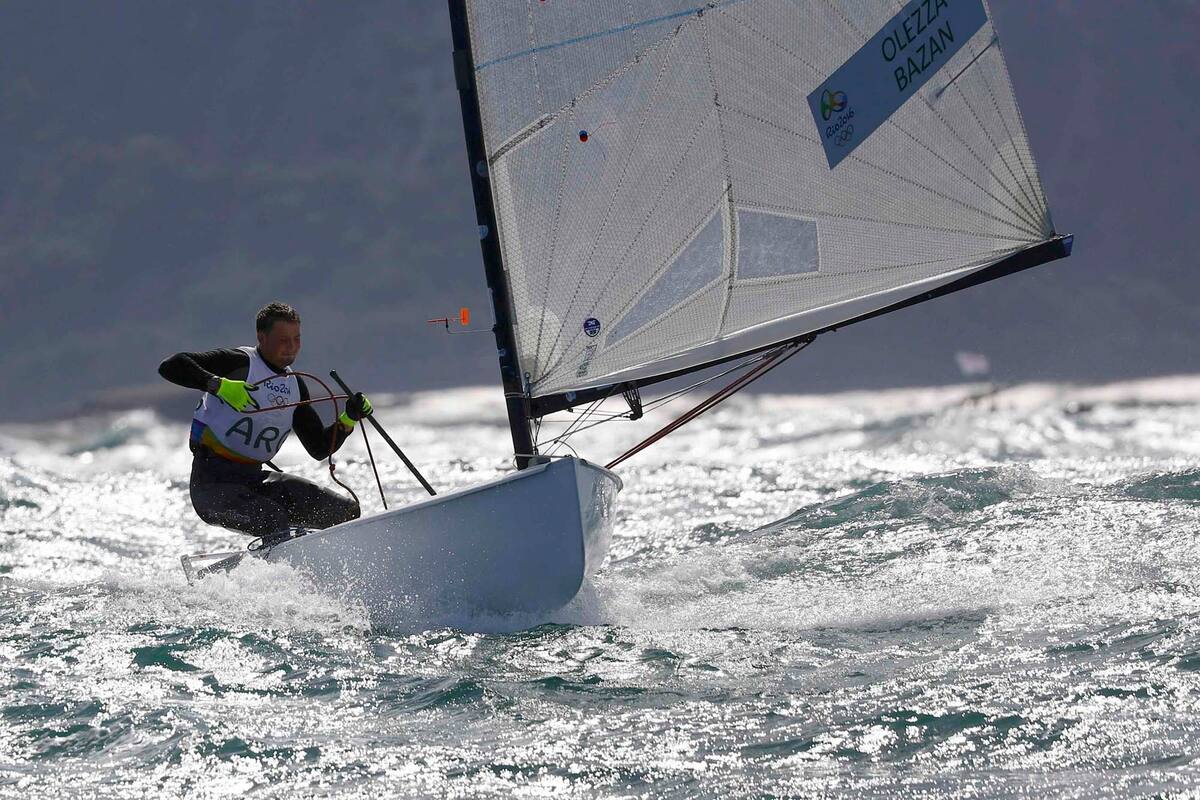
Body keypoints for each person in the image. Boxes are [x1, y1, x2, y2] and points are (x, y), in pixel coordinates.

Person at [158, 301, 371, 540]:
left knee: (344, 511)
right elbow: (171, 366)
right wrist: (219, 385)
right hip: (212, 485)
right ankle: (274, 569)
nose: (291, 348)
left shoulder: (295, 385)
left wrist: (348, 418)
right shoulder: (239, 363)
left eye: (297, 339)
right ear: (262, 337)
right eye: (283, 340)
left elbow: (319, 448)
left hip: (256, 479)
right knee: (272, 519)